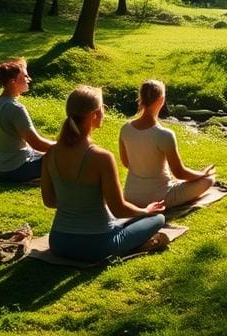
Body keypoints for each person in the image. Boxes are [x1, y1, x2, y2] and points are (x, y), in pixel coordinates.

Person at [41, 85, 167, 262]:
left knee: (126, 221)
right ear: (94, 115)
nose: (104, 112)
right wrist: (145, 211)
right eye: (103, 108)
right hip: (97, 246)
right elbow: (119, 209)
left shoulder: (50, 154)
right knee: (158, 218)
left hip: (59, 243)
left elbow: (50, 201)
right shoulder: (101, 157)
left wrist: (76, 201)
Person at [119, 80, 216, 208]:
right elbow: (179, 173)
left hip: (131, 196)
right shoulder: (164, 135)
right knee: (209, 180)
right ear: (161, 99)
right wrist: (202, 174)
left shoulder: (125, 128)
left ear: (140, 98)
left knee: (181, 180)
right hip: (160, 198)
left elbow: (127, 163)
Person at [0, 58, 55, 182]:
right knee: (64, 157)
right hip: (16, 169)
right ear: (13, 81)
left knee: (50, 154)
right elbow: (37, 143)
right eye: (24, 76)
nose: (29, 79)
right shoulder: (16, 108)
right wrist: (64, 147)